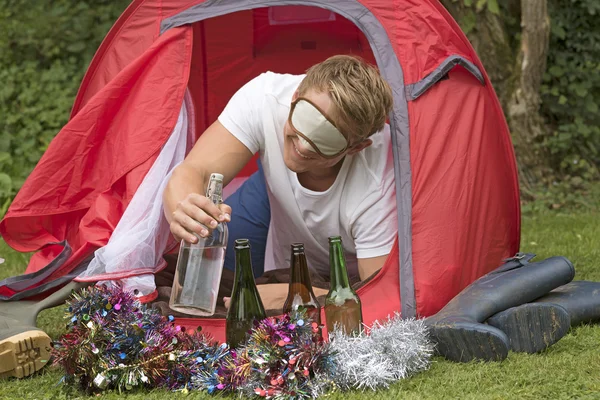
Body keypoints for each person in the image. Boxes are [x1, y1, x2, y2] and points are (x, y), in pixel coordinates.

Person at [163, 55, 397, 310]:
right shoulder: (266, 98)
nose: (303, 146)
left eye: (326, 140)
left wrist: (294, 295)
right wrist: (184, 208)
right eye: (305, 122)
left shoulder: (378, 183)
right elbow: (195, 170)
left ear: (356, 147)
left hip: (346, 275)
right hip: (277, 217)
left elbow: (379, 295)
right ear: (295, 97)